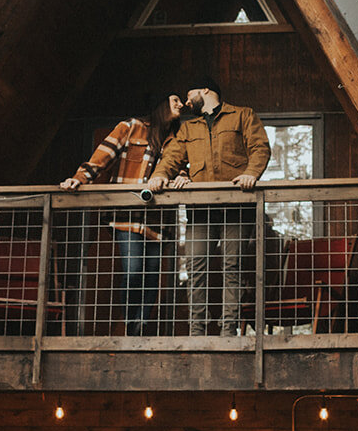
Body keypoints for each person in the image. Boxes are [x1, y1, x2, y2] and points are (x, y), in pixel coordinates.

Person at [146, 78, 270, 336]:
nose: (186, 99)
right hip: (201, 209)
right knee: (195, 265)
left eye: (189, 93)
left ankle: (228, 331)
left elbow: (260, 147)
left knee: (232, 265)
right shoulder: (188, 128)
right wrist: (159, 175)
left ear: (205, 90)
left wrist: (251, 173)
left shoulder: (242, 115)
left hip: (237, 207)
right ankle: (196, 332)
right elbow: (171, 157)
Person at [61, 95, 183, 336]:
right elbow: (101, 157)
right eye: (175, 100)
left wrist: (183, 177)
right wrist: (78, 178)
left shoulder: (177, 140)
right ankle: (131, 325)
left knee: (152, 277)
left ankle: (140, 326)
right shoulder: (130, 127)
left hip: (158, 221)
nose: (180, 105)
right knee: (134, 270)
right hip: (126, 216)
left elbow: (183, 167)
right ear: (160, 104)